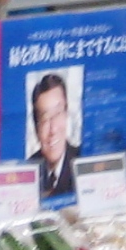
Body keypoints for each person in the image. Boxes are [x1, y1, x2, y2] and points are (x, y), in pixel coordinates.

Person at [29, 72, 77, 203]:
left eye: (58, 114)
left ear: (67, 115)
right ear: (36, 127)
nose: (53, 129)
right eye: (45, 119)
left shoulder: (82, 161)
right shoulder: (28, 170)